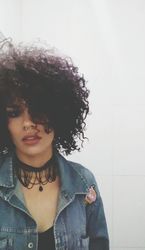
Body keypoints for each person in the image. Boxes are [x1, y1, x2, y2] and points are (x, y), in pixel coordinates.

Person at [0, 39, 109, 250]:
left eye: (39, 109)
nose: (28, 123)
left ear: (59, 113)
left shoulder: (84, 183)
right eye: (14, 113)